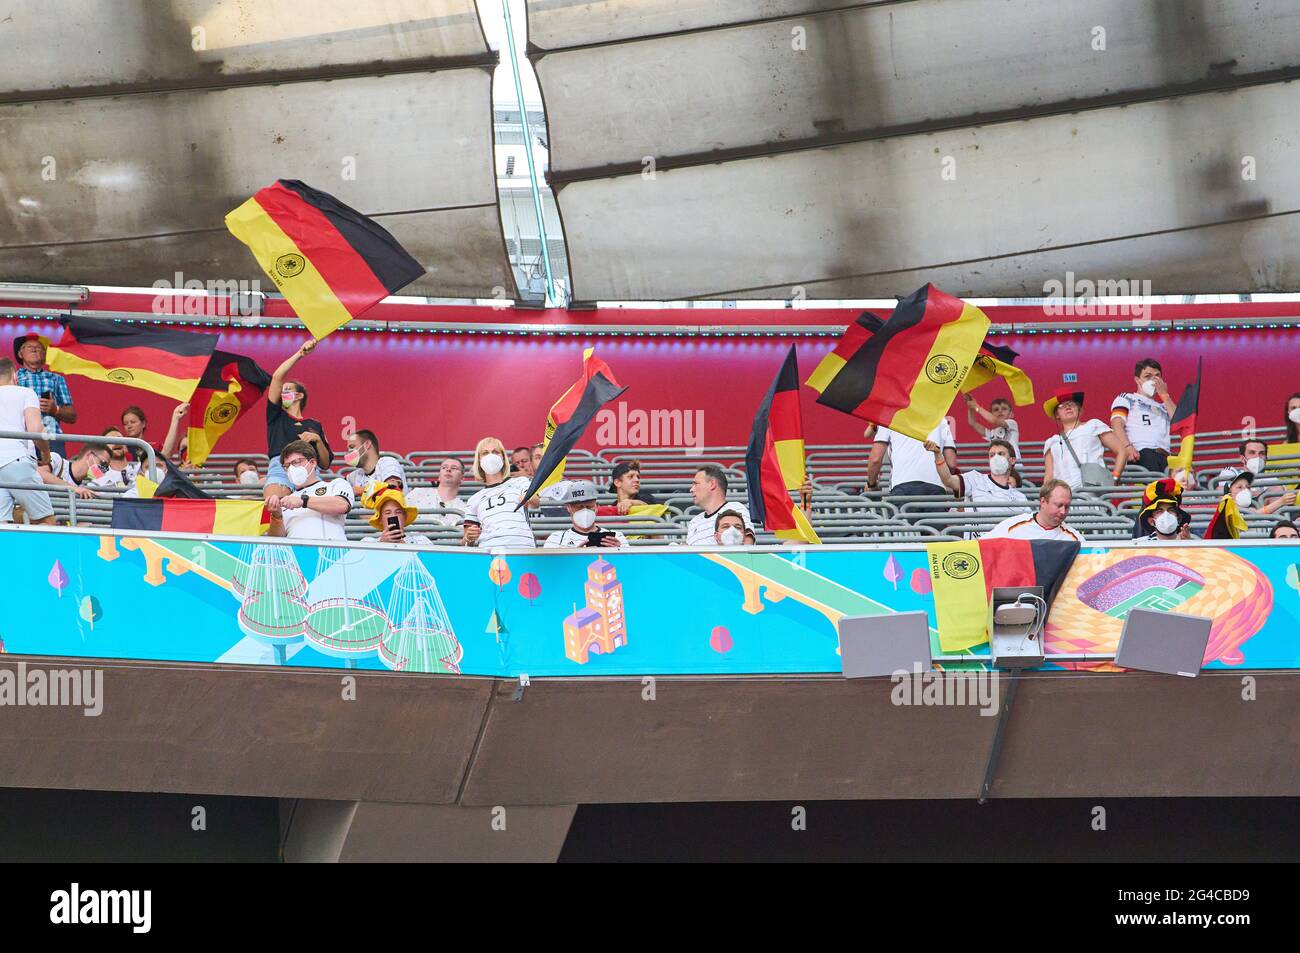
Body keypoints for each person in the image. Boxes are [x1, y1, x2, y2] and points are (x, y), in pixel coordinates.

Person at [264, 339, 332, 505]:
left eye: (288, 390)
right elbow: (277, 377)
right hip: (281, 468)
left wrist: (316, 440)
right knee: (274, 504)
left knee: (314, 513)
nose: (283, 393)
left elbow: (325, 463)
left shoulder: (314, 425)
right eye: (282, 391)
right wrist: (300, 354)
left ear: (300, 395)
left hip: (309, 469)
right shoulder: (276, 415)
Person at [0, 357, 54, 525]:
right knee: (46, 522)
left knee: (2, 527)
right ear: (15, 376)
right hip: (16, 460)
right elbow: (35, 431)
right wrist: (46, 453)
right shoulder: (25, 393)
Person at [266, 440, 353, 540]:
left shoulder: (336, 484)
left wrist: (303, 501)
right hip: (297, 554)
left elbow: (342, 505)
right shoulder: (285, 502)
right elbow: (275, 541)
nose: (291, 469)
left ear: (313, 462)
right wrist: (277, 517)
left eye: (296, 462)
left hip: (332, 553)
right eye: (287, 466)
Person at [1041, 389, 1126, 488]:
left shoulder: (1093, 425)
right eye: (1062, 406)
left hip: (1094, 491)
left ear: (1079, 409)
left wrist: (1115, 477)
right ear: (1057, 415)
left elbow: (1121, 450)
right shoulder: (1052, 442)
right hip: (1064, 496)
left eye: (1072, 404)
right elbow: (1049, 475)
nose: (1068, 407)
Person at [462, 437, 536, 548]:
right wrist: (469, 537)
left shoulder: (520, 481)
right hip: (490, 552)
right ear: (479, 460)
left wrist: (529, 498)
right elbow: (467, 543)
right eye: (485, 453)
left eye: (495, 452)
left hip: (522, 547)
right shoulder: (474, 499)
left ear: (503, 457)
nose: (491, 456)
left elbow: (536, 501)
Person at [13, 334, 75, 457]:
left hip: (51, 436)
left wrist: (55, 409)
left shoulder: (56, 379)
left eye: (39, 347)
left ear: (45, 355)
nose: (34, 349)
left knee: (55, 473)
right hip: (21, 436)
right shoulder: (13, 378)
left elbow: (72, 416)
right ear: (20, 354)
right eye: (29, 346)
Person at [1110, 358, 1176, 473]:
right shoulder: (1127, 397)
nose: (1153, 380)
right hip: (1142, 454)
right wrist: (1127, 447)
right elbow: (1117, 424)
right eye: (1147, 376)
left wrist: (1165, 395)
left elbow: (1179, 422)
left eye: (1157, 376)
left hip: (1166, 457)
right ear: (1137, 380)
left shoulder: (1164, 406)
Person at [931, 437, 1029, 511]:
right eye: (992, 455)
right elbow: (948, 480)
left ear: (1012, 460)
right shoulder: (974, 479)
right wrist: (938, 455)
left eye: (1001, 454)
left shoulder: (1021, 498)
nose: (996, 458)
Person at [865, 421, 957, 497]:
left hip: (902, 486)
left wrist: (872, 485)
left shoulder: (890, 417)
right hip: (936, 488)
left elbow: (875, 459)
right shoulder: (942, 420)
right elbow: (951, 463)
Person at [985, 479, 1085, 542]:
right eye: (1059, 505)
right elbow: (981, 547)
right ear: (1043, 502)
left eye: (1067, 506)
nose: (1063, 512)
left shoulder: (1074, 539)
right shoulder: (1012, 526)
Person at [1213, 440, 1297, 514]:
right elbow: (1224, 496)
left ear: (1266, 458)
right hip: (1235, 516)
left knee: (1276, 489)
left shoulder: (1272, 479)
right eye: (1252, 453)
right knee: (1221, 489)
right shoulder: (1230, 471)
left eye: (1261, 453)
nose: (1257, 457)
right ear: (1242, 458)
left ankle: (1271, 527)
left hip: (1264, 517)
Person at [544, 481, 628, 548]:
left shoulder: (617, 537)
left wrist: (619, 551)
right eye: (579, 507)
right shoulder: (556, 539)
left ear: (596, 506)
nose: (584, 511)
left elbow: (629, 565)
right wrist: (576, 557)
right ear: (568, 508)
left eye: (589, 506)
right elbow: (550, 567)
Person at [685, 464, 755, 545]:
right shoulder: (694, 522)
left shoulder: (736, 508)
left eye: (696, 484)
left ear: (712, 484)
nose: (691, 489)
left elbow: (747, 547)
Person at [406, 457, 468, 527]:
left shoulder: (464, 509)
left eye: (454, 468)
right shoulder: (417, 493)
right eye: (444, 467)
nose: (448, 469)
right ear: (439, 476)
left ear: (462, 479)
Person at [343, 429, 406, 495]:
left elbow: (393, 489)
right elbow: (335, 488)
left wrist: (362, 490)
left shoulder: (388, 463)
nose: (349, 452)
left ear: (367, 444)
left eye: (352, 447)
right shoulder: (354, 476)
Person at [363, 485, 431, 546]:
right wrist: (381, 544)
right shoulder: (367, 543)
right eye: (387, 513)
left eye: (398, 512)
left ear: (405, 517)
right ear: (380, 519)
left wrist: (404, 546)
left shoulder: (422, 542)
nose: (393, 515)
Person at [38, 445, 106, 500]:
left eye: (107, 467)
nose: (104, 469)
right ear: (90, 455)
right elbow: (40, 473)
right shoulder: (57, 460)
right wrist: (73, 489)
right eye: (103, 463)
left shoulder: (83, 490)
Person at [964, 393, 1021, 458]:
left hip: (1015, 466)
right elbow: (973, 423)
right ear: (991, 414)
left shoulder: (1012, 424)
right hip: (999, 466)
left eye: (1004, 409)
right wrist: (970, 407)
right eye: (996, 409)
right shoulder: (991, 434)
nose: (1000, 411)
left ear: (1011, 414)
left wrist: (977, 407)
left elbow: (995, 420)